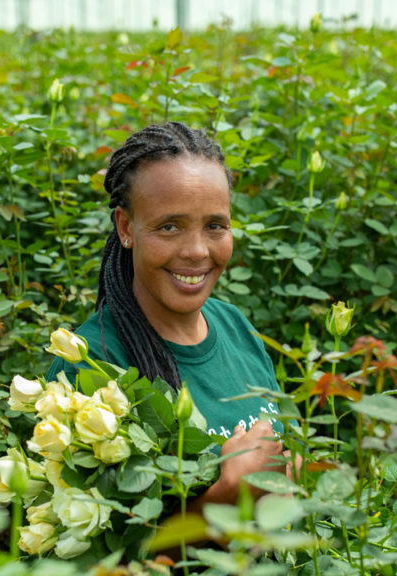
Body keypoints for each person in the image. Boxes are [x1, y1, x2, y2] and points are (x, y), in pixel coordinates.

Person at [47, 121, 288, 508]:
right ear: (126, 227)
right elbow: (98, 555)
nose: (196, 250)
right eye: (170, 226)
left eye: (215, 226)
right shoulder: (88, 365)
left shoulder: (234, 326)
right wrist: (228, 497)